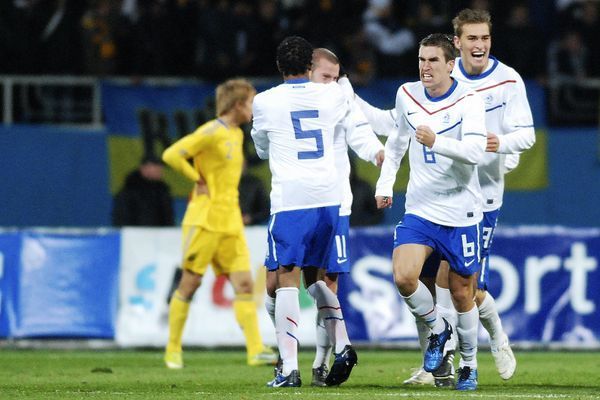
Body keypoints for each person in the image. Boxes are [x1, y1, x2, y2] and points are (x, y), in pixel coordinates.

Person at [262, 47, 384, 387]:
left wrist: (375, 151)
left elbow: (358, 129)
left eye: (336, 77)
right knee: (275, 284)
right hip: (305, 201)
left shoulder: (337, 95)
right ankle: (292, 352)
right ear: (308, 71)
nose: (332, 82)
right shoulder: (293, 101)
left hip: (333, 202)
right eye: (326, 76)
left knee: (324, 281)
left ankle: (319, 361)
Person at [375, 33, 487, 391]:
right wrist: (384, 184)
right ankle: (439, 328)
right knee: (404, 276)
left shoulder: (469, 100)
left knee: (462, 294)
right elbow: (396, 143)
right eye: (422, 60)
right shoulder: (406, 94)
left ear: (450, 65)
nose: (425, 67)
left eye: (433, 60)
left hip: (461, 211)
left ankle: (469, 364)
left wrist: (437, 141)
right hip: (421, 207)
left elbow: (476, 152)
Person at [251, 36, 352, 388]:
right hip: (329, 198)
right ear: (310, 66)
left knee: (286, 279)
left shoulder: (264, 101)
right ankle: (343, 344)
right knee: (318, 279)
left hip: (292, 200)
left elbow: (262, 150)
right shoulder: (332, 94)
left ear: (279, 66)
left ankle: (289, 369)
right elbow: (341, 111)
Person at [161, 78, 277, 370]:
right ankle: (173, 349)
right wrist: (196, 179)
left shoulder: (236, 134)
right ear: (237, 104)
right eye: (250, 102)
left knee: (244, 284)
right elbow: (171, 154)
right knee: (190, 282)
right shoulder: (211, 131)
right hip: (204, 220)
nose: (253, 108)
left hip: (231, 221)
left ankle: (255, 350)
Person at [449, 8, 535, 380]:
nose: (480, 44)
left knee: (469, 286)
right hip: (444, 193)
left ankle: (498, 337)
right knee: (434, 281)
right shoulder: (445, 75)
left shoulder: (509, 80)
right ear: (457, 42)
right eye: (472, 38)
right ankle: (437, 361)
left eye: (484, 37)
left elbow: (527, 135)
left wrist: (499, 143)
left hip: (483, 195)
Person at [112, 155, 174, 227]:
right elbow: (121, 218)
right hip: (134, 233)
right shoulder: (129, 191)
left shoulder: (162, 191)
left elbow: (168, 218)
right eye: (156, 166)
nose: (160, 169)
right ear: (144, 168)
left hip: (160, 233)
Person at [239, 160, 270, 225]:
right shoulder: (223, 184)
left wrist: (250, 218)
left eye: (242, 163)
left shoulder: (255, 183)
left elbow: (266, 210)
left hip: (252, 228)